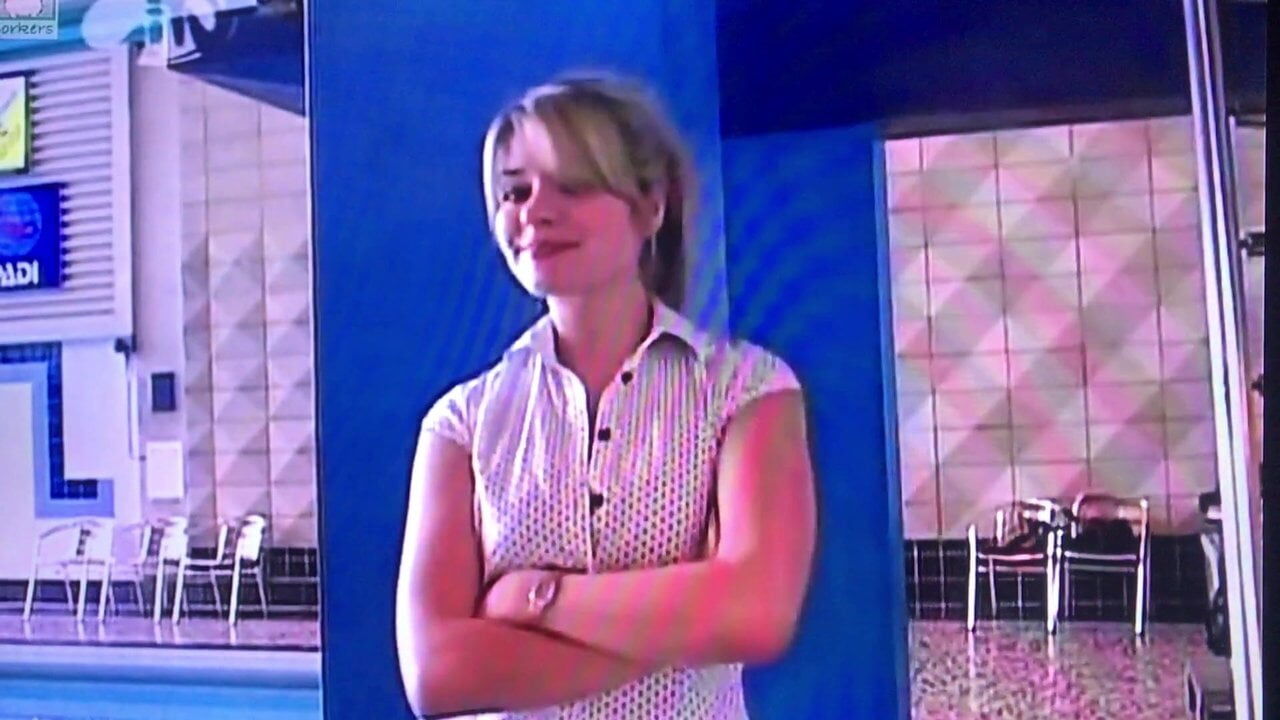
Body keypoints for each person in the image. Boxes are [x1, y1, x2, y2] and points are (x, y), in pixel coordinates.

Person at [395, 72, 817, 719]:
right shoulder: (461, 423)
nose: (535, 211)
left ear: (650, 207)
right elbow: (438, 675)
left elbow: (758, 614)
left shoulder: (748, 390)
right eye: (515, 191)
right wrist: (691, 621)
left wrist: (534, 598)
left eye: (574, 183)